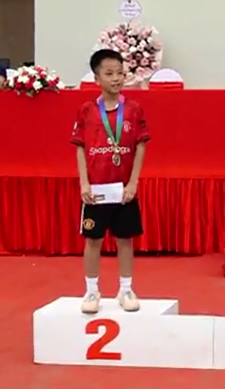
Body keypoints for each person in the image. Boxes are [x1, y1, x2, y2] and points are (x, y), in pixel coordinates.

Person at [71, 49, 150, 314]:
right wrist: (84, 184)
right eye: (109, 74)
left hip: (123, 189)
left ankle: (126, 288)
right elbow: (80, 147)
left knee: (125, 239)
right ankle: (92, 291)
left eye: (119, 73)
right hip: (96, 190)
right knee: (93, 240)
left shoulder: (134, 109)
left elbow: (140, 146)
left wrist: (133, 183)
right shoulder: (87, 110)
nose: (116, 78)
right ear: (96, 78)